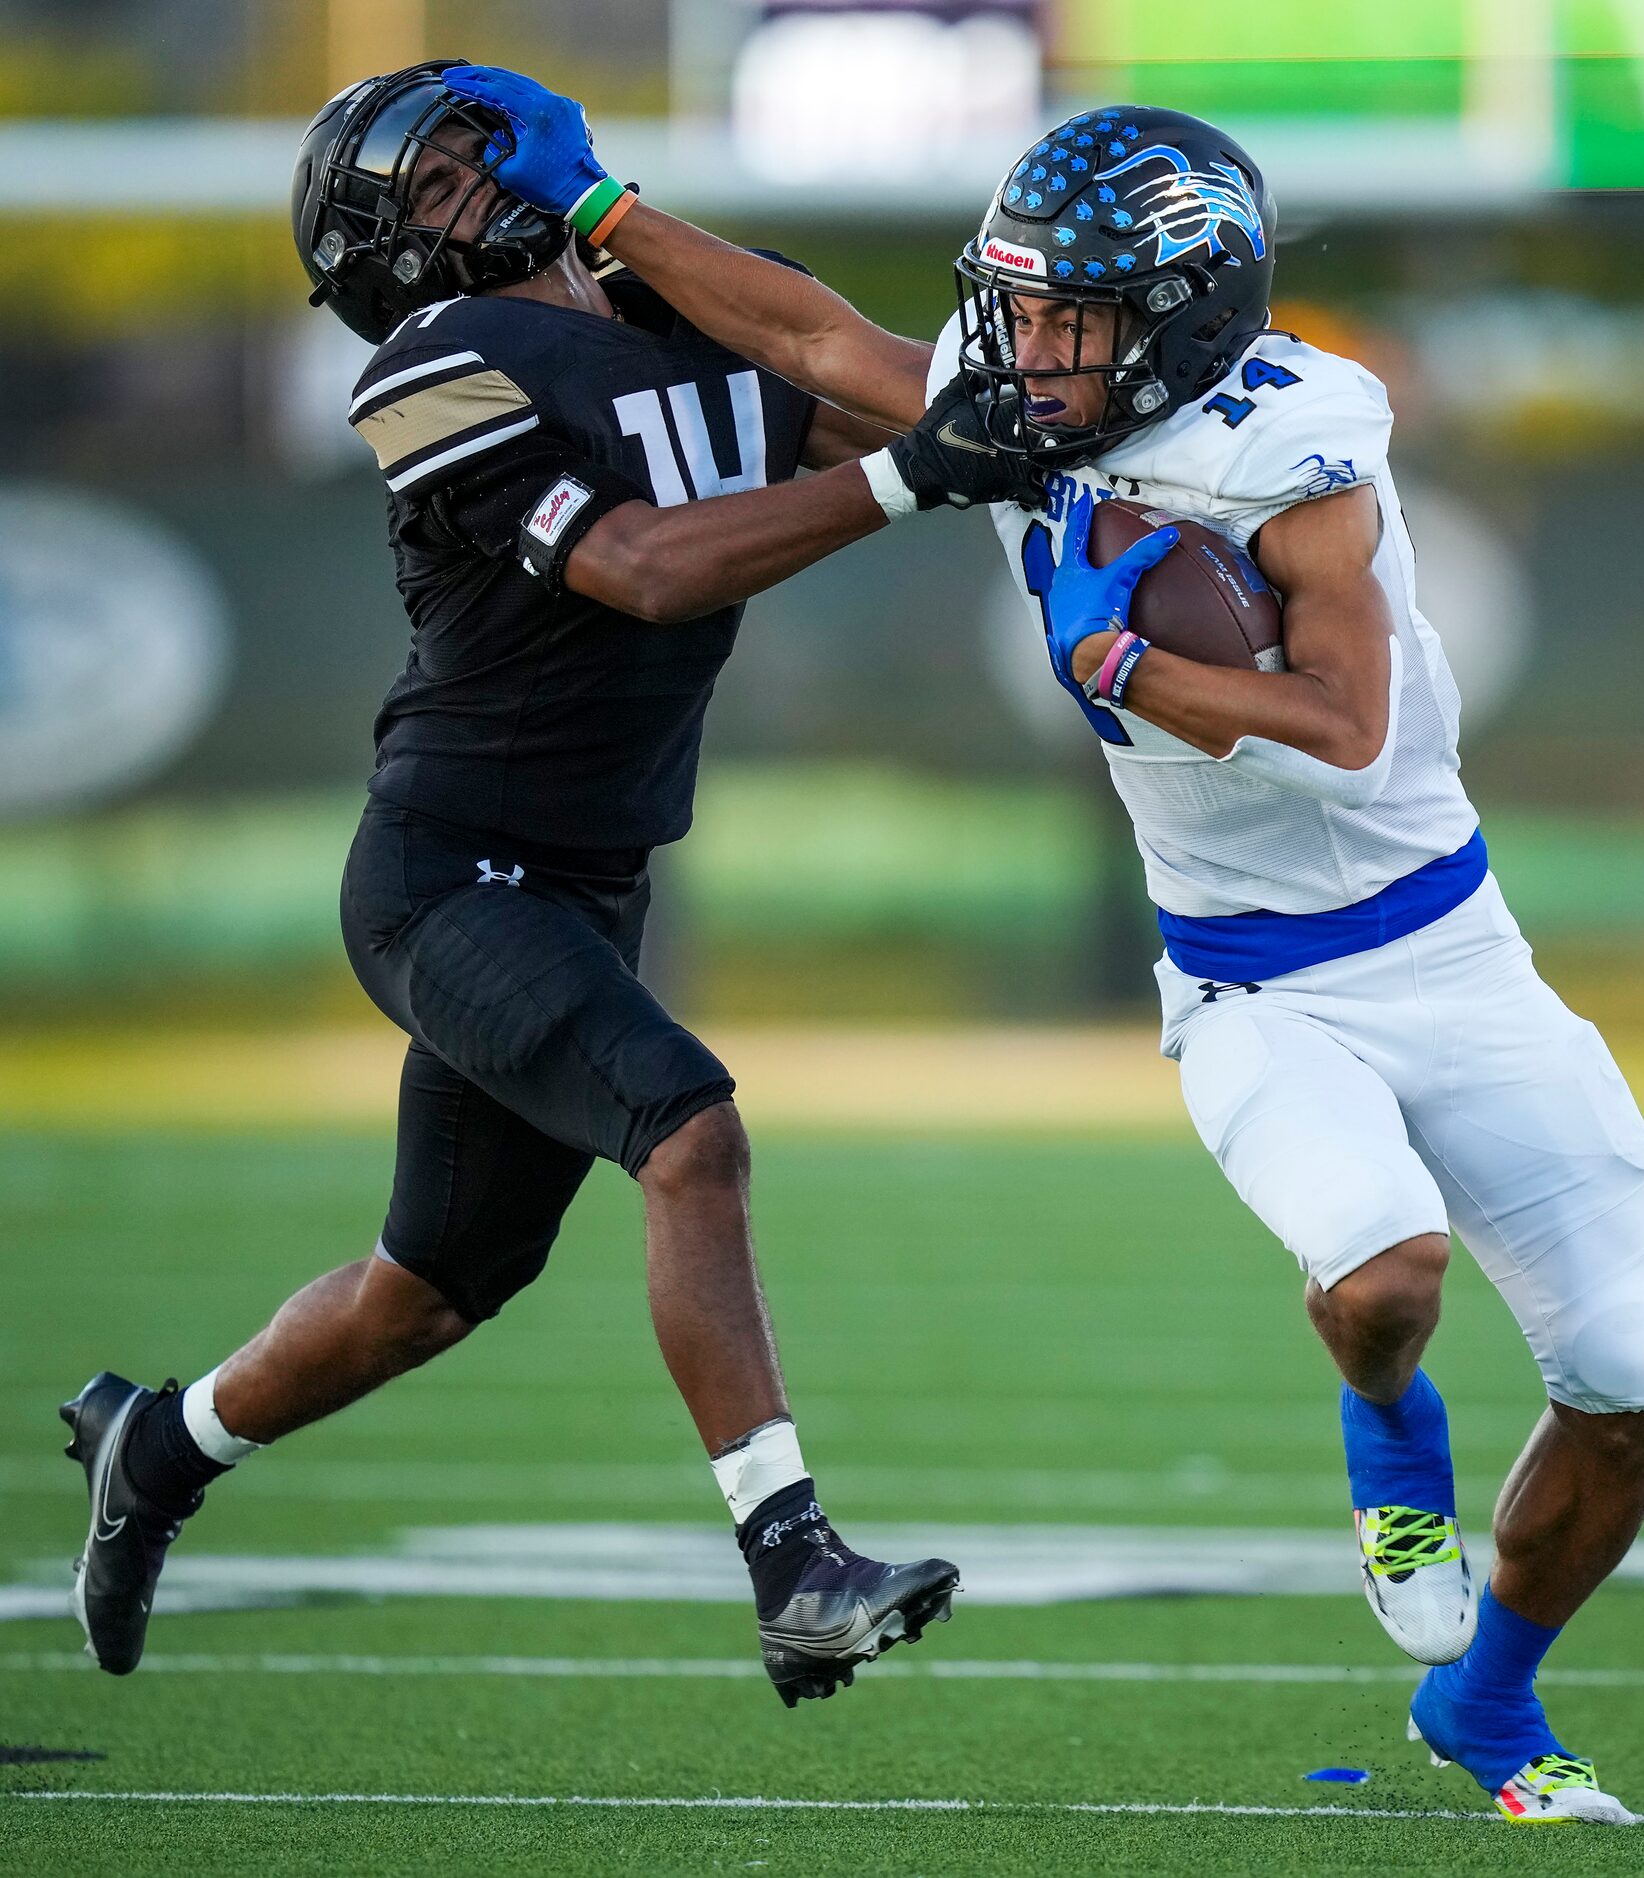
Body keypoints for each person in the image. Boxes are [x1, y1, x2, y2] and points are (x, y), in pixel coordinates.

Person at [455, 70, 1644, 1822]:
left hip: (1451, 951)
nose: (1025, 344)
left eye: (1068, 311)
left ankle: (1485, 1705)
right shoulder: (1035, 406)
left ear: (1182, 317)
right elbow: (811, 339)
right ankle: (1392, 1437)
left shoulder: (1301, 436)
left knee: (1629, 1377)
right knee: (1384, 1274)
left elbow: (1340, 719)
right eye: (1017, 303)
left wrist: (1121, 668)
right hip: (1250, 978)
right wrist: (602, 215)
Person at [60, 60, 1033, 1708]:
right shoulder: (431, 363)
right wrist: (900, 476)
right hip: (445, 875)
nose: (416, 227)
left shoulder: (687, 316)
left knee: (432, 1289)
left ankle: (162, 1442)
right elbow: (647, 570)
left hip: (585, 876)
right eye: (403, 206)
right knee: (690, 1129)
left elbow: (891, 385)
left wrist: (990, 438)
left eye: (437, 178)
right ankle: (792, 1562)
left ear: (535, 151)